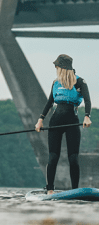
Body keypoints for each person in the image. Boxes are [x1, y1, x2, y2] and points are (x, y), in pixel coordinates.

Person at [35, 54, 91, 194]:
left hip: (72, 122)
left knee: (73, 158)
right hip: (56, 122)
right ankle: (50, 190)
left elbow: (88, 101)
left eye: (57, 66)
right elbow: (49, 103)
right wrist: (40, 120)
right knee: (53, 157)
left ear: (63, 67)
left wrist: (87, 117)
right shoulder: (55, 83)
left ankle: (75, 191)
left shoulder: (80, 82)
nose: (55, 68)